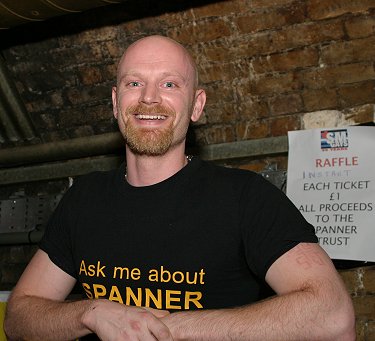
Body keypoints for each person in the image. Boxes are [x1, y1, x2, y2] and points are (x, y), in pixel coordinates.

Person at [4, 35, 355, 341]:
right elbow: (18, 317)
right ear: (115, 102)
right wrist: (91, 314)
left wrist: (170, 328)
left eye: (170, 84)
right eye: (134, 83)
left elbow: (333, 317)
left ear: (196, 105)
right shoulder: (85, 198)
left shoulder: (245, 198)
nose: (150, 98)